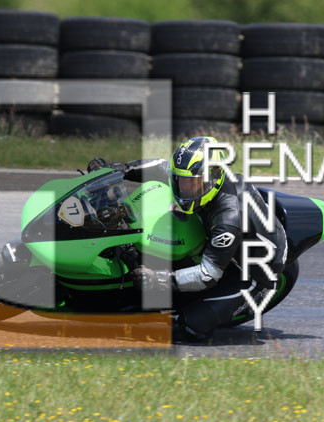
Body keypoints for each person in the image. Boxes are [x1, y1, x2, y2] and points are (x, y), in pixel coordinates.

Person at [87, 136, 288, 341]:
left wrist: (157, 278)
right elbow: (160, 167)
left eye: (193, 183)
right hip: (226, 240)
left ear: (213, 177)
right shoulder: (204, 177)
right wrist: (119, 168)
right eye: (181, 181)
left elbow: (208, 274)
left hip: (255, 272)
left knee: (192, 326)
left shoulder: (228, 219)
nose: (185, 189)